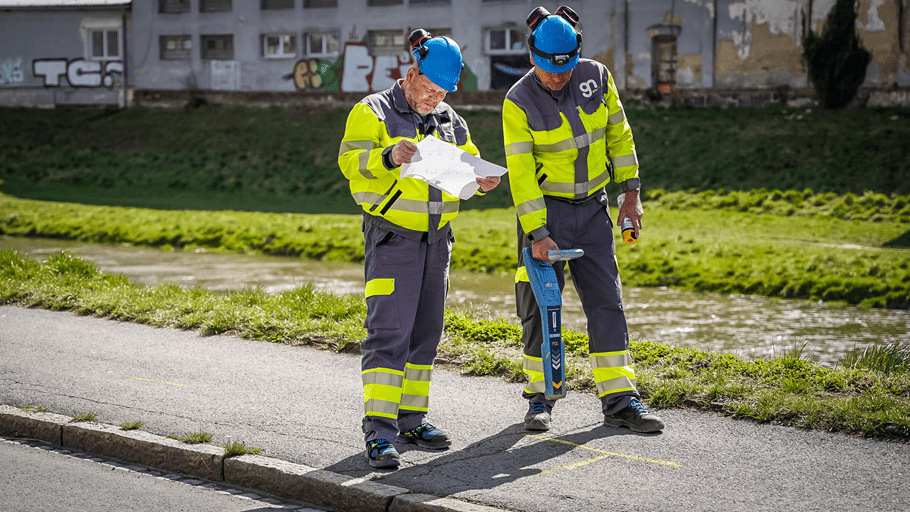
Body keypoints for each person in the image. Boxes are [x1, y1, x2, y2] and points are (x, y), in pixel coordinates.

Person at [338, 30, 500, 469]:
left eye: (442, 92)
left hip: (438, 241)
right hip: (392, 236)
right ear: (410, 74)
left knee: (426, 334)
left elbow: (468, 163)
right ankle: (379, 432)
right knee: (389, 333)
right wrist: (389, 156)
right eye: (428, 89)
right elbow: (349, 162)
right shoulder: (371, 110)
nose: (434, 99)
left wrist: (483, 181)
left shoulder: (451, 120)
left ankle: (412, 420)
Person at [502, 5, 665, 433]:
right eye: (548, 69)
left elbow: (619, 134)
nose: (558, 77)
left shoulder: (596, 77)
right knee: (538, 307)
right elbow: (520, 174)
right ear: (532, 55)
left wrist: (631, 194)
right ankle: (540, 398)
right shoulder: (517, 101)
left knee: (606, 302)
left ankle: (620, 399)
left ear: (576, 53)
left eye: (565, 68)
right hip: (546, 214)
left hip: (594, 210)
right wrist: (537, 232)